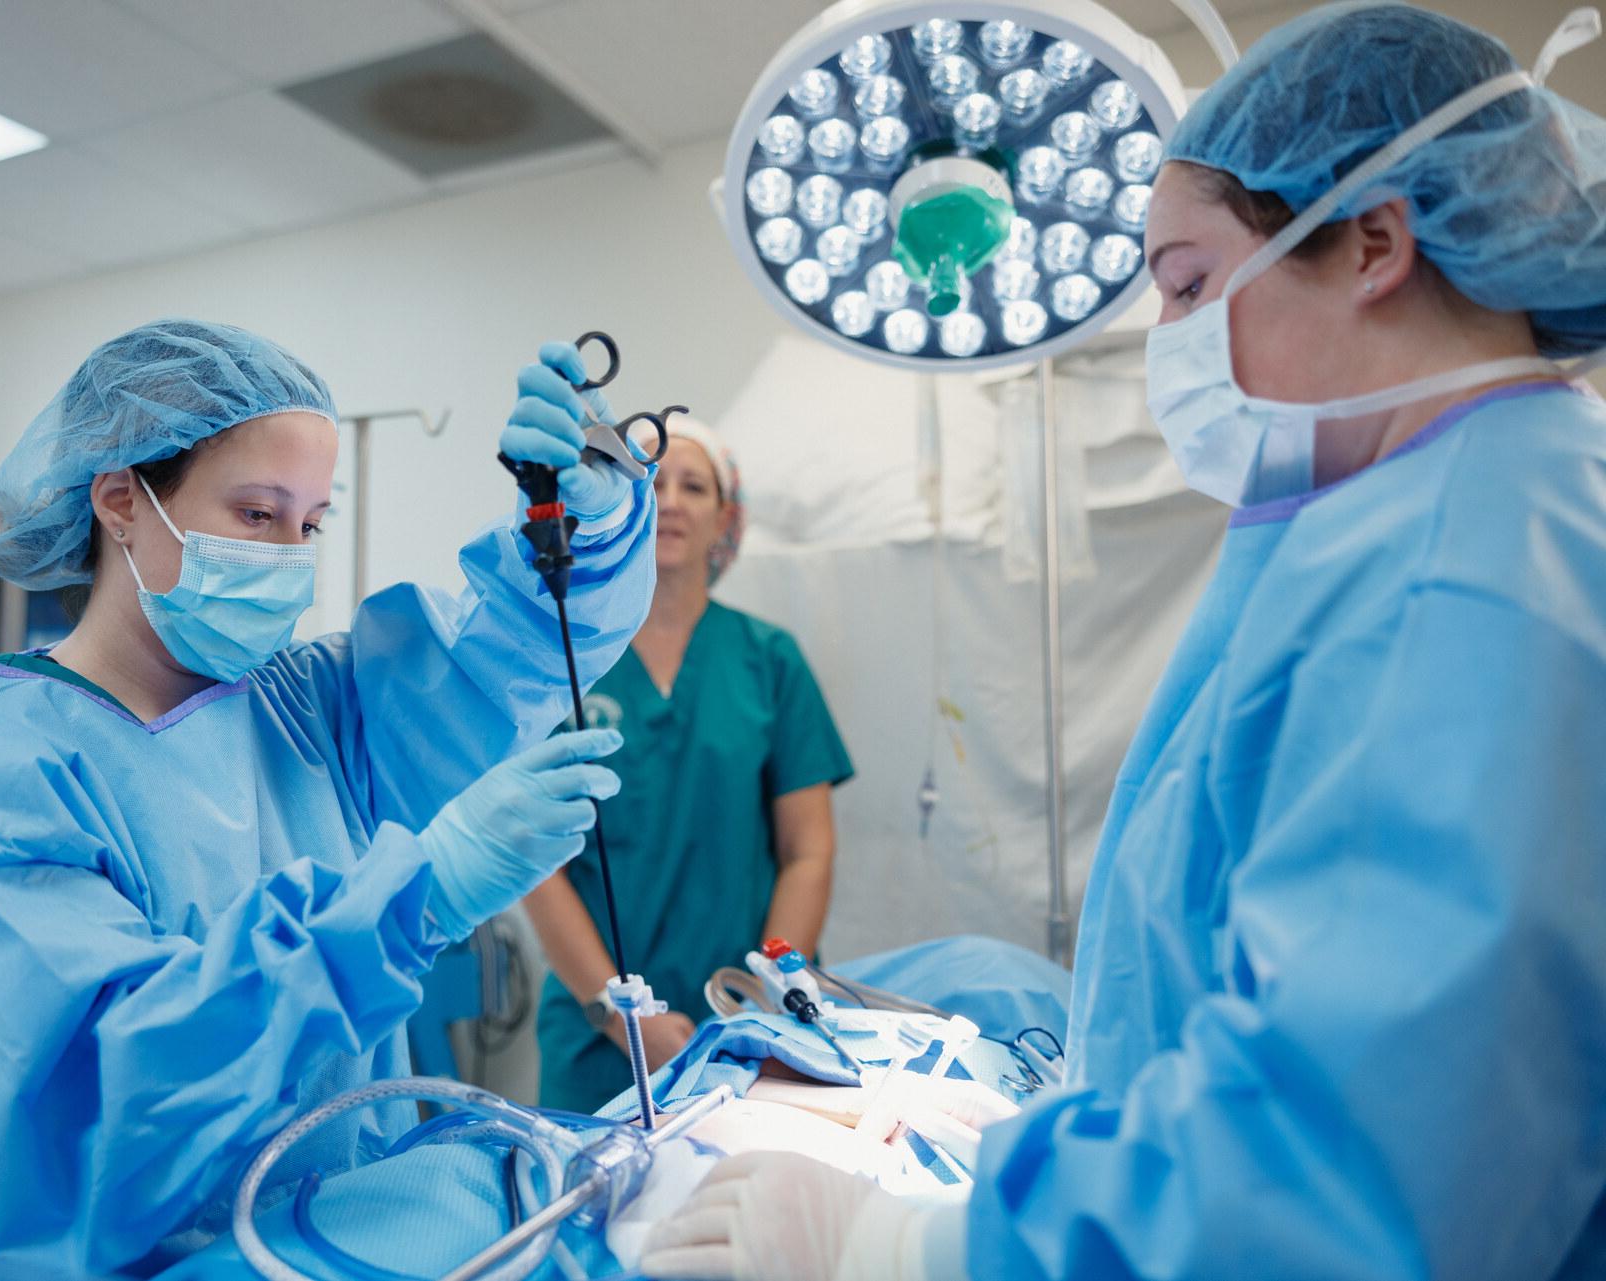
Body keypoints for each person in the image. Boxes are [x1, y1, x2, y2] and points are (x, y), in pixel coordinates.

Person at [641, 5, 1606, 1279]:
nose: (1171, 345)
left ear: (1374, 243)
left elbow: (1358, 1169)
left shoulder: (1463, 575)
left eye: (1192, 285)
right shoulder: (1420, 516)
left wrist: (902, 1246)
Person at [0, 319, 655, 1275]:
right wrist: (408, 907)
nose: (289, 552)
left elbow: (503, 657)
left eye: (310, 523)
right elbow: (77, 1108)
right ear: (121, 500)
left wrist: (588, 519)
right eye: (256, 513)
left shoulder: (306, 715)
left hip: (315, 1246)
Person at [526, 415, 853, 1113]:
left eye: (693, 485)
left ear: (724, 520)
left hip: (750, 1030)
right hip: (600, 1043)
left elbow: (808, 850)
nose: (670, 499)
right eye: (651, 480)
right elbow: (538, 863)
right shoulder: (566, 661)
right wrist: (621, 1013)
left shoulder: (768, 660)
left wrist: (767, 992)